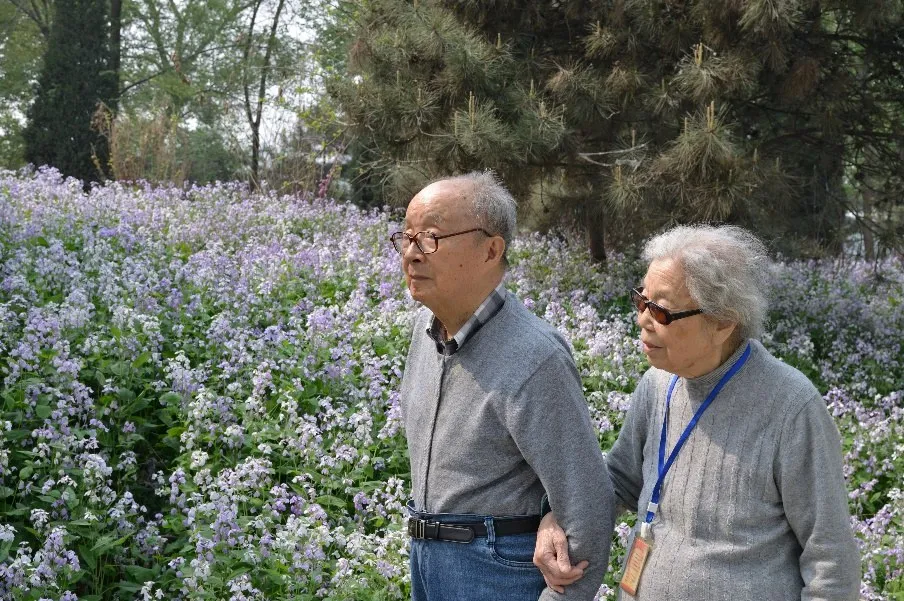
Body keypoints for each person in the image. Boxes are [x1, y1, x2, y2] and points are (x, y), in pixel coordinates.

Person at [533, 224, 861, 600]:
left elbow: (831, 560)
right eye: (642, 301)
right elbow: (617, 483)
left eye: (660, 310)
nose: (642, 320)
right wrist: (554, 517)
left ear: (722, 322)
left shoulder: (791, 407)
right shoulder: (658, 383)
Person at [393, 171, 615, 601]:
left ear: (491, 249)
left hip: (497, 573)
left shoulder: (535, 357)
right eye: (406, 237)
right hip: (427, 561)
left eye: (431, 238)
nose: (411, 254)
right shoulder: (424, 329)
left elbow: (587, 503)